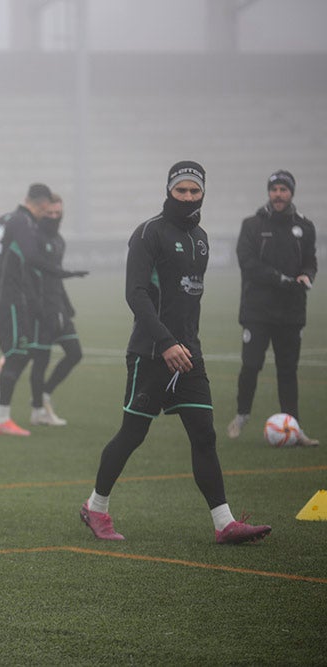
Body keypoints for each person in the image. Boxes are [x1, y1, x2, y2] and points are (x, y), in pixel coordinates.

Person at [80, 161, 271, 545]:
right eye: (180, 190)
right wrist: (165, 342)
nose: (187, 197)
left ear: (203, 194)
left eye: (194, 191)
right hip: (151, 352)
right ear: (168, 190)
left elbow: (189, 301)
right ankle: (95, 508)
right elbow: (135, 294)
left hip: (189, 356)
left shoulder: (201, 237)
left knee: (204, 435)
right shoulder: (149, 233)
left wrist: (185, 346)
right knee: (133, 434)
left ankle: (224, 523)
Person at [227, 170, 318, 446]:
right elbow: (248, 263)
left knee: (288, 370)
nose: (278, 194)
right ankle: (242, 415)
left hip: (291, 312)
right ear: (268, 192)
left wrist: (307, 276)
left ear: (292, 193)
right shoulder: (252, 225)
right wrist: (281, 279)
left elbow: (310, 261)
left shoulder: (305, 226)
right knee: (251, 365)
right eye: (274, 189)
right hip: (257, 311)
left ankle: (294, 427)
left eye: (284, 189)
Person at [0, 183, 55, 436]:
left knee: (20, 352)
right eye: (49, 207)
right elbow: (32, 256)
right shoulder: (23, 222)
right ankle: (1, 418)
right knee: (18, 353)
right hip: (8, 295)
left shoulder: (6, 218)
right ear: (42, 203)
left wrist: (4, 258)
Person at [27, 193, 87, 426]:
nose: (53, 217)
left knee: (75, 353)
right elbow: (34, 275)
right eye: (49, 213)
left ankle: (44, 394)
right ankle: (37, 411)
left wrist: (67, 304)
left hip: (59, 306)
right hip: (42, 310)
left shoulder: (60, 240)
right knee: (40, 360)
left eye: (57, 213)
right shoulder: (34, 238)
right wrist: (36, 306)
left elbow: (55, 275)